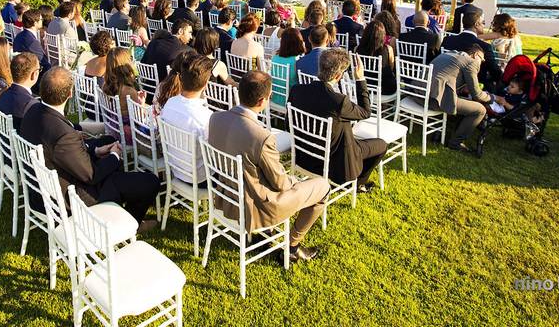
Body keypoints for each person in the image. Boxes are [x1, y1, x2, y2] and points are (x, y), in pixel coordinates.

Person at [208, 71, 329, 264]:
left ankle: (265, 235)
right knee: (322, 186)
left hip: (226, 197)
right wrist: (296, 181)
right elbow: (280, 183)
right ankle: (293, 246)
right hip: (255, 207)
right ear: (262, 101)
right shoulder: (261, 137)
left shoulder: (216, 118)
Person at [19, 67, 161, 228]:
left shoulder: (33, 111)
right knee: (150, 182)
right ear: (70, 93)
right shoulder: (63, 135)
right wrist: (114, 155)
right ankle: (130, 224)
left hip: (46, 186)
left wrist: (95, 151)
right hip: (72, 198)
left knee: (106, 141)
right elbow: (91, 175)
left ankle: (119, 197)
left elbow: (65, 153)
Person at [288, 48, 387, 193]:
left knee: (354, 139)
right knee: (381, 145)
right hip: (334, 163)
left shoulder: (296, 90)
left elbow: (288, 124)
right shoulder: (339, 102)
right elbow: (366, 112)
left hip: (304, 156)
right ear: (339, 75)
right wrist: (360, 79)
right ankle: (358, 183)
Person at [159, 55, 214, 183]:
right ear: (206, 84)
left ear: (181, 79)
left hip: (176, 169)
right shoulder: (205, 117)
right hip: (200, 178)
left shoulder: (170, 104)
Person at [428, 47, 491, 152]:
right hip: (434, 100)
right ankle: (455, 142)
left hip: (418, 95)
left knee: (461, 100)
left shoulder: (448, 54)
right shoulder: (471, 62)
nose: (481, 63)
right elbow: (477, 95)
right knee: (480, 110)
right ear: (476, 55)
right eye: (482, 59)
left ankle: (441, 131)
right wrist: (493, 98)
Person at [442, 11, 501, 87]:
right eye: (483, 23)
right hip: (474, 85)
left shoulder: (447, 40)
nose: (484, 26)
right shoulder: (484, 46)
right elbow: (495, 71)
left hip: (448, 80)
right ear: (476, 24)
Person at [102, 48, 145, 143]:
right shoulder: (129, 91)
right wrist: (141, 104)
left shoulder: (106, 86)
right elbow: (139, 120)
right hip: (128, 134)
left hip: (113, 127)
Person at [0, 52, 40, 132]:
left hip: (5, 140)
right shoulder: (31, 105)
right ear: (34, 74)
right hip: (22, 142)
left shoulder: (3, 95)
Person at [355, 21, 396, 96]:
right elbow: (391, 67)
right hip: (385, 88)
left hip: (365, 85)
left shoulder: (357, 49)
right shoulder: (388, 49)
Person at [12, 9, 51, 86]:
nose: (42, 21)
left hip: (20, 73)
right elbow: (45, 64)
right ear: (35, 23)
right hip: (33, 79)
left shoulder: (19, 36)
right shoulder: (32, 41)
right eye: (41, 19)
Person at [270, 28, 305, 107]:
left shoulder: (275, 58)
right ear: (299, 42)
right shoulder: (297, 61)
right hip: (291, 101)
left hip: (275, 97)